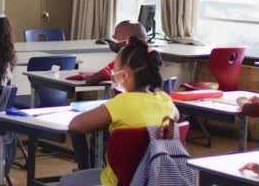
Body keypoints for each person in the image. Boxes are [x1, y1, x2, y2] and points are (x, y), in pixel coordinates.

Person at [67, 36, 179, 186]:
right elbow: (175, 119)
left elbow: (75, 125)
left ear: (125, 75)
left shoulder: (121, 103)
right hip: (155, 178)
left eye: (114, 69)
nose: (112, 73)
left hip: (117, 181)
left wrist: (106, 122)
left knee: (67, 181)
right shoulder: (166, 101)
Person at [85, 20, 148, 85]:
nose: (114, 40)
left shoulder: (124, 60)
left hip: (127, 95)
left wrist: (89, 77)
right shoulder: (152, 58)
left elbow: (92, 79)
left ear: (126, 41)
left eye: (116, 36)